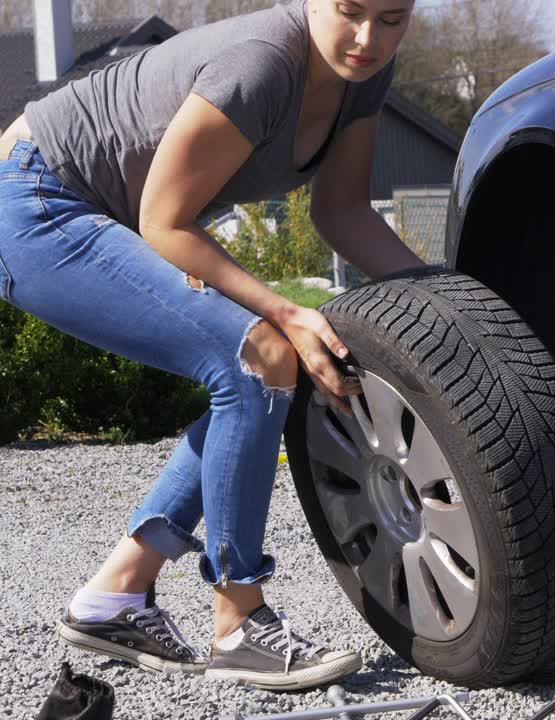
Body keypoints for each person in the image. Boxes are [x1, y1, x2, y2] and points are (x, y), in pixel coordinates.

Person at [0, 0, 427, 691]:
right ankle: (238, 622)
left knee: (263, 365)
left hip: (99, 209)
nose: (367, 37)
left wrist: (451, 301)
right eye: (349, 11)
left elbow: (343, 212)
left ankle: (116, 595)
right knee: (261, 356)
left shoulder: (364, 75)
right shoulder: (262, 64)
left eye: (391, 18)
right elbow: (165, 221)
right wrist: (285, 311)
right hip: (35, 201)